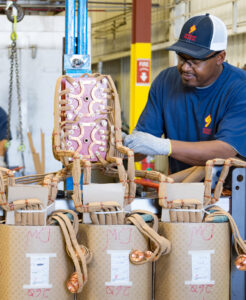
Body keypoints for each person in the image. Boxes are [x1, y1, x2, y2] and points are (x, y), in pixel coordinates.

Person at [124, 13, 246, 173]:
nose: (184, 67)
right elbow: (141, 149)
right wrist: (123, 145)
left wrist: (164, 146)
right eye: (181, 58)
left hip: (229, 192)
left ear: (220, 57)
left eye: (194, 61)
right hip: (181, 189)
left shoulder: (240, 87)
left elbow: (225, 150)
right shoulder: (165, 81)